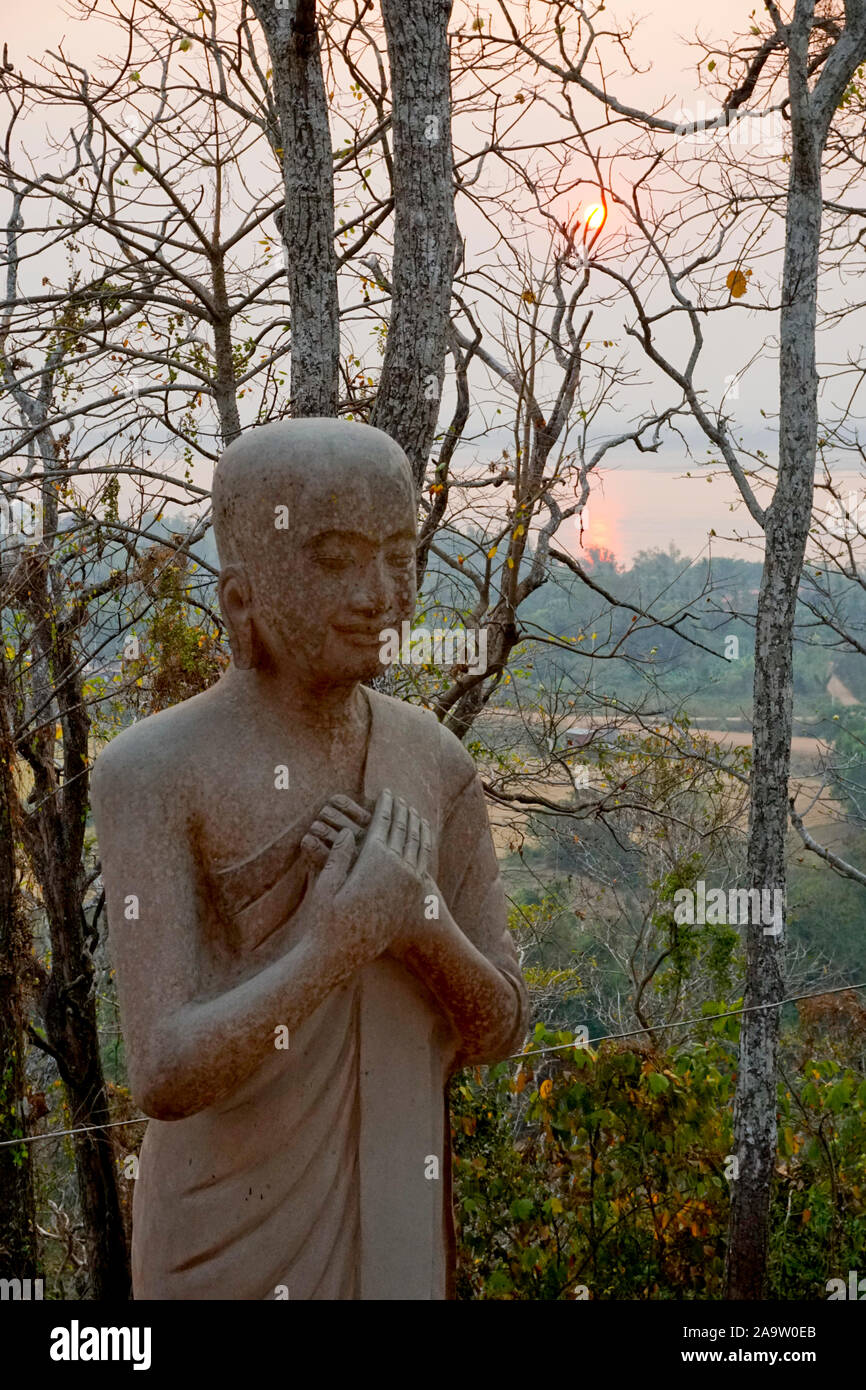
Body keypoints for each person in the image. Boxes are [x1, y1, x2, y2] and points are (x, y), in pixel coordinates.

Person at [92, 418, 528, 1300]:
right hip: (226, 1235)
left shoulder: (432, 761)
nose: (378, 594)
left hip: (401, 1221)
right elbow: (164, 1073)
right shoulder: (153, 771)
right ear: (241, 594)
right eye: (334, 559)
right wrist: (330, 947)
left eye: (399, 556)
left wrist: (420, 924)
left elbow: (501, 1024)